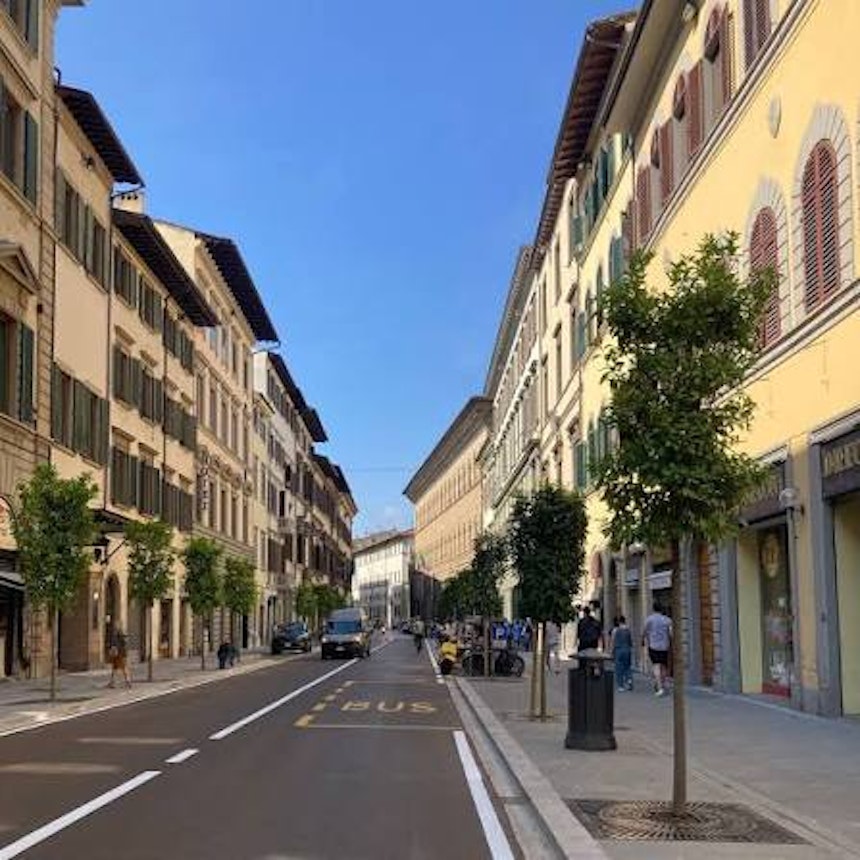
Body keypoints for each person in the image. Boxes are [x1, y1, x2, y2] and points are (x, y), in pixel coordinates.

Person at [643, 602, 672, 696]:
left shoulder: (649, 619)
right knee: (663, 666)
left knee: (656, 666)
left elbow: (644, 632)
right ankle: (664, 685)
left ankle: (659, 688)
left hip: (653, 646)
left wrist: (643, 640)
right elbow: (671, 633)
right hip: (664, 646)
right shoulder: (667, 620)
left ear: (653, 609)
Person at [611, 615, 634, 692]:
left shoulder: (615, 630)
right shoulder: (628, 630)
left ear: (619, 622)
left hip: (618, 650)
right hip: (627, 649)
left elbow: (613, 641)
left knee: (619, 668)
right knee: (627, 666)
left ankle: (621, 686)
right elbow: (630, 642)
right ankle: (629, 680)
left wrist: (611, 651)